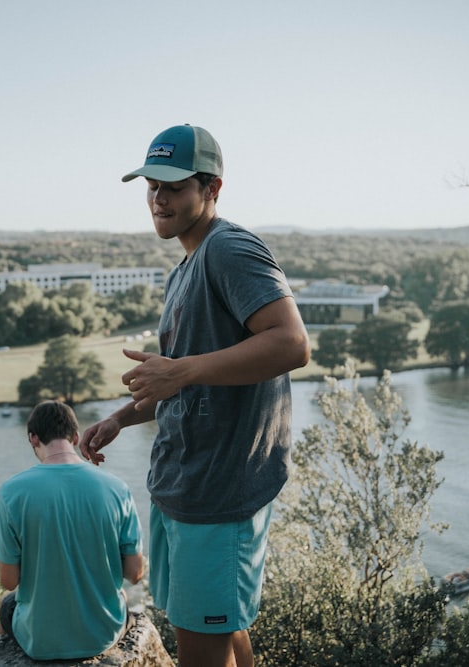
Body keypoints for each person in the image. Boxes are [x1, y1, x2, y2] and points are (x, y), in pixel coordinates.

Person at [79, 125, 310, 667]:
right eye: (151, 185)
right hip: (184, 487)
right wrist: (119, 418)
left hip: (219, 494)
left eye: (173, 186)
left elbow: (292, 342)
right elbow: (182, 379)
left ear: (212, 189)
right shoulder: (184, 267)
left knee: (199, 650)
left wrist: (180, 373)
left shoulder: (229, 248)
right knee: (223, 633)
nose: (158, 198)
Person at [0, 400, 144, 661]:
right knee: (122, 592)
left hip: (39, 642)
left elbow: (9, 581)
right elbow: (135, 573)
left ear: (33, 438)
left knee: (7, 604)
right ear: (76, 437)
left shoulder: (11, 492)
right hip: (104, 634)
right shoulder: (117, 487)